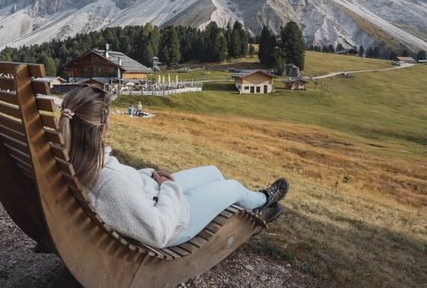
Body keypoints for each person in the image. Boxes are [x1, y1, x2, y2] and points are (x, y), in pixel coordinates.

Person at [58, 84, 288, 249]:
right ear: (102, 130)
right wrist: (168, 188)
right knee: (233, 187)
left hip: (153, 193)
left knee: (213, 172)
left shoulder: (76, 160)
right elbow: (160, 231)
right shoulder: (109, 182)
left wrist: (148, 175)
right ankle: (263, 200)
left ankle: (252, 205)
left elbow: (122, 187)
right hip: (175, 220)